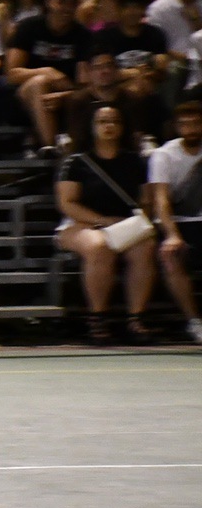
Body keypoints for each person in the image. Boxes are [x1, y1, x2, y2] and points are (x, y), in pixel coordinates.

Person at [56, 106, 156, 345]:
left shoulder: (134, 161)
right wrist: (102, 221)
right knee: (99, 246)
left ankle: (136, 318)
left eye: (114, 121)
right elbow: (67, 203)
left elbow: (146, 199)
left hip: (125, 224)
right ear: (92, 127)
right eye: (102, 121)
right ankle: (97, 318)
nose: (108, 126)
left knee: (145, 247)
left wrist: (137, 221)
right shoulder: (76, 162)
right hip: (82, 223)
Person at [8, 0, 94, 152]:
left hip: (67, 94)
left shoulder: (83, 36)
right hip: (25, 93)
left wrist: (64, 95)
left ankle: (51, 149)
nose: (66, 9)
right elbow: (12, 74)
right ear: (48, 2)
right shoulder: (28, 27)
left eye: (72, 3)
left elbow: (84, 84)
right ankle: (51, 148)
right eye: (61, 2)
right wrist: (47, 72)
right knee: (39, 83)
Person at [149, 101, 202, 345]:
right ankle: (194, 321)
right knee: (170, 256)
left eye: (196, 124)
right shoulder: (164, 155)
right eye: (184, 124)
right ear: (176, 127)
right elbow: (161, 200)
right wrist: (172, 234)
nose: (190, 129)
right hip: (178, 222)